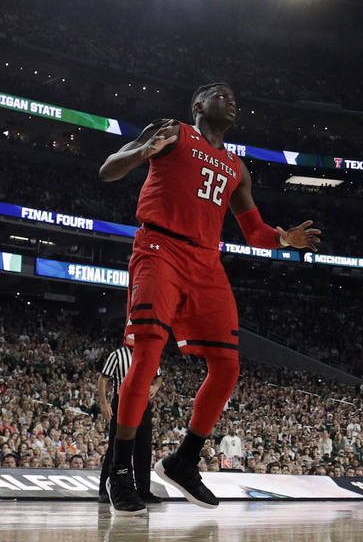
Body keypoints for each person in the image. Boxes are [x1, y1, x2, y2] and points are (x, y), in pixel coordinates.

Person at [98, 82, 320, 516]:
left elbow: (253, 230)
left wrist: (282, 238)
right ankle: (120, 471)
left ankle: (183, 460)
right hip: (160, 248)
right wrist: (142, 152)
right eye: (221, 95)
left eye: (236, 97)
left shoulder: (236, 166)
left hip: (206, 262)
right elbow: (109, 169)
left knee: (228, 365)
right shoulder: (172, 131)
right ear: (198, 105)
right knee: (146, 354)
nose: (232, 101)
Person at [97, 343, 162, 505]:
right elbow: (103, 379)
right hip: (122, 401)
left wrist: (155, 386)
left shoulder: (149, 353)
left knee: (144, 447)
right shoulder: (117, 354)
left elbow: (159, 376)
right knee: (115, 446)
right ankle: (105, 490)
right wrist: (104, 403)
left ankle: (143, 491)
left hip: (143, 403)